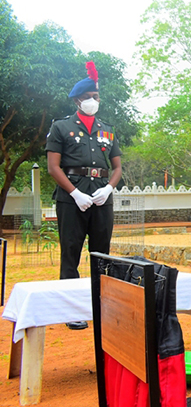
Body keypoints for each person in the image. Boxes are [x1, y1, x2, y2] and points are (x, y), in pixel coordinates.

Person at [46, 61, 122, 330]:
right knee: (71, 251)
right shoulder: (61, 127)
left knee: (102, 253)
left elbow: (117, 167)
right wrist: (75, 192)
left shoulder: (108, 129)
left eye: (96, 96)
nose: (93, 101)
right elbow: (53, 167)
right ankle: (71, 310)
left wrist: (109, 188)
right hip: (71, 197)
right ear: (77, 100)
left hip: (101, 195)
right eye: (88, 97)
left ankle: (102, 305)